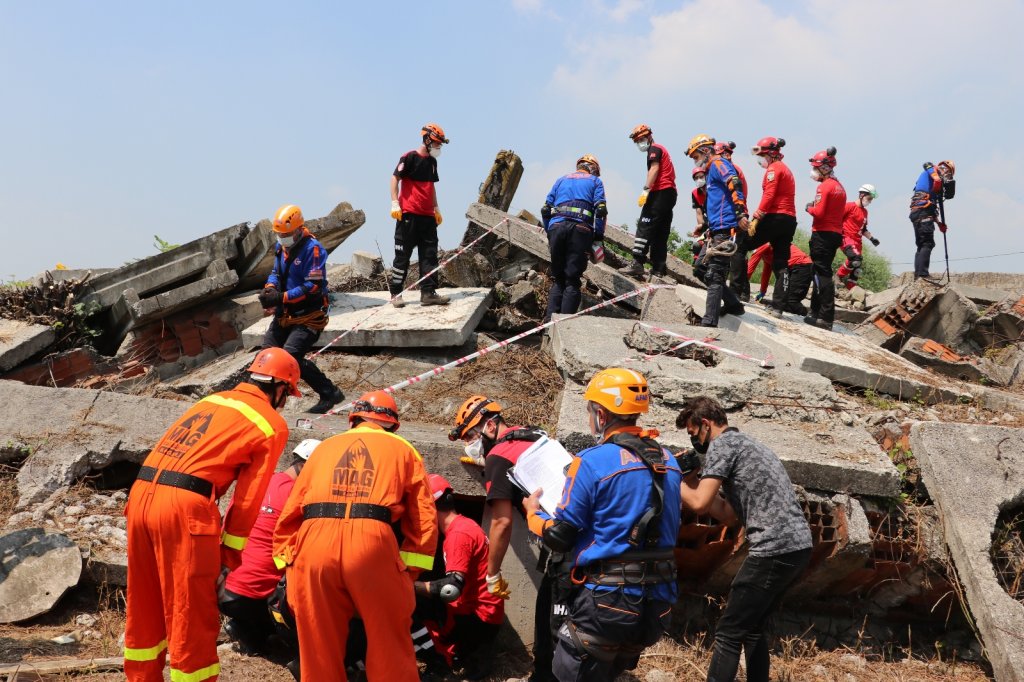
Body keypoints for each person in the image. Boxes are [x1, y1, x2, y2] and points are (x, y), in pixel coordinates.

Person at [124, 347, 296, 682]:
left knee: (144, 602)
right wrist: (227, 558)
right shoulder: (270, 424)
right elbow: (248, 500)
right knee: (190, 610)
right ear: (279, 389)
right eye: (287, 395)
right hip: (183, 507)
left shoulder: (211, 401)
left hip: (141, 494)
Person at [523, 368, 684, 682]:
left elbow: (561, 535)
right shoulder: (670, 462)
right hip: (657, 602)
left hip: (606, 602)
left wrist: (533, 516)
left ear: (600, 414)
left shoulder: (593, 460)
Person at [273, 390, 438, 682]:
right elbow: (423, 518)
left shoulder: (323, 448)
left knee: (318, 644)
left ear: (354, 419)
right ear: (391, 424)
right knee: (389, 640)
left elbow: (291, 513)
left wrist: (289, 565)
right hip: (372, 541)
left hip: (314, 542)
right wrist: (408, 572)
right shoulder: (403, 449)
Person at [676, 396, 812, 682]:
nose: (694, 443)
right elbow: (726, 513)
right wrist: (691, 484)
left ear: (705, 424)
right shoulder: (747, 444)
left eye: (693, 434)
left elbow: (699, 504)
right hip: (797, 547)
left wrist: (672, 480)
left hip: (774, 546)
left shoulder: (722, 445)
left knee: (728, 632)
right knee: (751, 628)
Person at [448, 396, 557, 682]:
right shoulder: (535, 436)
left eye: (471, 435)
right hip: (578, 532)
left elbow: (501, 521)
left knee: (548, 621)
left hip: (564, 544)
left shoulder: (498, 457)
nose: (469, 443)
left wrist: (492, 574)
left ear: (491, 425)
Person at [219, 438, 320, 656]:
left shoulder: (262, 482)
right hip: (255, 594)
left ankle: (248, 631)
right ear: (307, 467)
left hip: (223, 586)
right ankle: (265, 635)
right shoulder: (300, 497)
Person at [415, 474, 504, 681]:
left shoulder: (458, 535)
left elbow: (450, 589)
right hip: (480, 615)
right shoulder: (464, 525)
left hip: (476, 619)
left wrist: (409, 585)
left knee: (413, 602)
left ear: (429, 506)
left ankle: (440, 663)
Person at [259, 204, 345, 415]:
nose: (282, 238)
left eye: (286, 234)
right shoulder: (281, 248)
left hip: (309, 316)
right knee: (266, 356)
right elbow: (275, 273)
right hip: (284, 315)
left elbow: (313, 286)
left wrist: (283, 297)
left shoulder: (313, 249)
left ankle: (329, 392)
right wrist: (270, 289)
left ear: (298, 230)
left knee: (289, 359)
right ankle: (262, 400)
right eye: (279, 234)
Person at [687, 134, 749, 327]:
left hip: (726, 229)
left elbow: (734, 182)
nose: (696, 160)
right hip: (715, 230)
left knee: (715, 275)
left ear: (705, 150)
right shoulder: (710, 170)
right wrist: (704, 226)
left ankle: (708, 323)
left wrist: (740, 213)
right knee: (700, 270)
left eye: (696, 156)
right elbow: (718, 203)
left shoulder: (718, 164)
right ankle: (733, 304)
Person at [389, 123, 452, 308]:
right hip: (408, 214)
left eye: (440, 144)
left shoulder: (433, 163)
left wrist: (436, 208)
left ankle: (428, 293)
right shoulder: (409, 157)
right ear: (426, 140)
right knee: (402, 256)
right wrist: (395, 202)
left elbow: (431, 187)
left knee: (429, 256)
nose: (438, 147)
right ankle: (396, 294)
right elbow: (394, 179)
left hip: (427, 217)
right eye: (436, 143)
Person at [540, 154, 608, 322]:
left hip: (556, 228)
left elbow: (545, 209)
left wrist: (550, 230)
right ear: (593, 168)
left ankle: (548, 326)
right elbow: (601, 210)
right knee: (572, 279)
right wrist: (598, 237)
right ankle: (564, 327)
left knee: (559, 278)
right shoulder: (595, 181)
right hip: (580, 230)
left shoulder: (561, 180)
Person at [746, 137, 798, 318]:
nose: (760, 159)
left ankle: (740, 292)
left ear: (771, 154)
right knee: (781, 264)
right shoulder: (787, 170)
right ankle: (778, 308)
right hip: (789, 220)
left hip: (776, 217)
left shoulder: (774, 169)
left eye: (762, 155)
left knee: (741, 245)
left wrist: (756, 217)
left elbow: (769, 194)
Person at [620, 124, 677, 278]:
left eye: (642, 139)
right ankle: (659, 268)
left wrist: (646, 189)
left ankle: (637, 262)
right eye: (638, 140)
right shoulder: (661, 149)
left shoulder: (655, 149)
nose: (640, 142)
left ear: (649, 136)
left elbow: (654, 169)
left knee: (645, 224)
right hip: (670, 194)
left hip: (660, 191)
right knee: (660, 231)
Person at [803, 147, 847, 331]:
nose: (814, 171)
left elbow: (819, 213)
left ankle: (825, 317)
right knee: (819, 272)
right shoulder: (840, 187)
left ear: (825, 168)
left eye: (816, 167)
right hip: (835, 234)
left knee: (823, 275)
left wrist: (809, 208)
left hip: (823, 234)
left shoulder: (824, 186)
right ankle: (815, 312)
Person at [716, 141, 752, 303]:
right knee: (739, 254)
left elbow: (737, 193)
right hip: (737, 214)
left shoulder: (731, 170)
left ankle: (735, 291)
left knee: (736, 254)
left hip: (735, 215)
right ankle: (743, 291)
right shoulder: (732, 169)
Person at [909, 160, 956, 280]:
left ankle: (918, 275)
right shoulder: (932, 170)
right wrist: (937, 178)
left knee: (921, 244)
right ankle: (923, 274)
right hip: (922, 212)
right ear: (944, 168)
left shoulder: (935, 189)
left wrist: (940, 223)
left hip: (918, 212)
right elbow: (927, 164)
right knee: (927, 243)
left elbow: (932, 206)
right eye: (948, 173)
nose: (947, 176)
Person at [746, 243, 813, 316]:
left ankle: (807, 314)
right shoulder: (767, 253)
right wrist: (762, 292)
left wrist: (741, 287)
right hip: (792, 268)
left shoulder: (762, 244)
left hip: (802, 266)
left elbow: (750, 268)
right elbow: (766, 272)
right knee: (783, 299)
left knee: (791, 301)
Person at [837, 184, 880, 290]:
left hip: (857, 241)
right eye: (869, 198)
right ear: (861, 195)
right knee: (855, 259)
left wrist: (872, 239)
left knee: (858, 267)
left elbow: (863, 229)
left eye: (871, 199)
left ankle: (852, 288)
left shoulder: (865, 212)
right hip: (846, 237)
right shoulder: (849, 206)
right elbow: (836, 219)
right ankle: (838, 276)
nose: (870, 201)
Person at [691, 166, 708, 236]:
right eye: (696, 178)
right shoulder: (695, 194)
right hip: (707, 222)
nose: (699, 179)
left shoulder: (713, 189)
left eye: (701, 177)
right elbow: (699, 213)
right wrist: (701, 228)